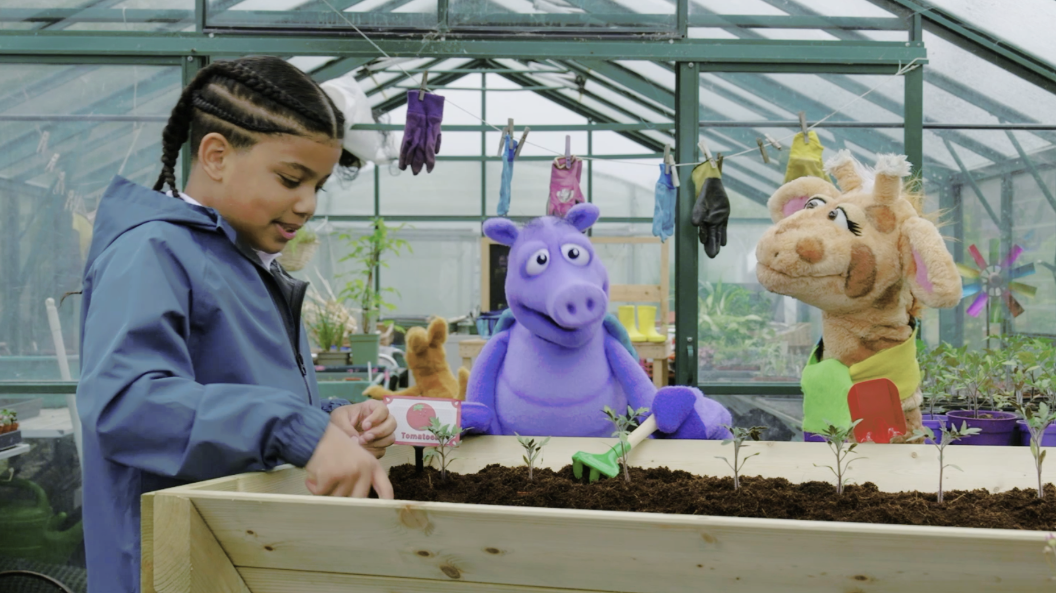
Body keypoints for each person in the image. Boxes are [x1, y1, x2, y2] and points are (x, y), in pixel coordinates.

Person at [75, 56, 396, 593]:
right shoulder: (153, 252)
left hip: (237, 559)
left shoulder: (245, 262)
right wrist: (294, 430)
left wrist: (332, 422)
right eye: (292, 179)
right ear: (217, 155)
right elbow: (126, 404)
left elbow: (240, 396)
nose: (307, 203)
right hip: (168, 567)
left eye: (318, 185)